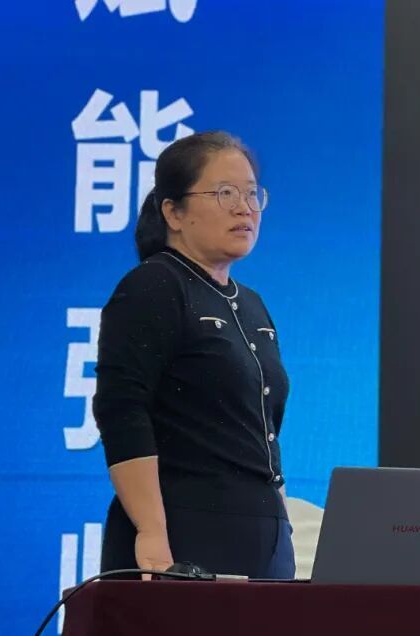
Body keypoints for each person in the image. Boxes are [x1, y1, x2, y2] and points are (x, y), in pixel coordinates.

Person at [94, 130, 294, 579]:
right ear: (174, 212)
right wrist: (150, 529)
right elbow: (122, 409)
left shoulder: (253, 303)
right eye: (225, 193)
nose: (244, 208)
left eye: (251, 194)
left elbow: (261, 434)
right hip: (186, 531)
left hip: (263, 536)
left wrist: (282, 523)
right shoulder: (154, 285)